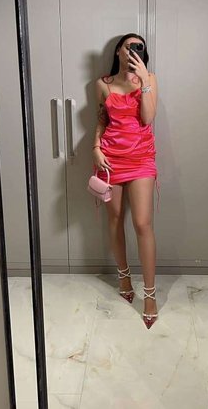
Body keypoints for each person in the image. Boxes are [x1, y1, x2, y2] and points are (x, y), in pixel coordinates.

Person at [92, 33, 160, 329]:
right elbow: (101, 119)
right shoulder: (103, 84)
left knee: (142, 223)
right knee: (115, 217)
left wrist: (143, 80)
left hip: (141, 158)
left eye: (139, 47)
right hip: (110, 158)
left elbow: (147, 118)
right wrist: (95, 147)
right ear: (118, 51)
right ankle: (124, 279)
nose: (134, 50)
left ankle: (150, 295)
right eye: (129, 46)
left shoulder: (150, 79)